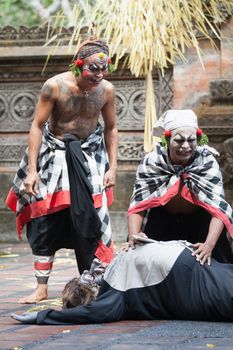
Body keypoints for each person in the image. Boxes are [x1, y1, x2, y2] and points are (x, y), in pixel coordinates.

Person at [6, 39, 118, 304]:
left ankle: (90, 283)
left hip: (89, 156)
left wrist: (113, 168)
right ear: (78, 65)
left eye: (104, 69)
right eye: (93, 69)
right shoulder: (54, 87)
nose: (99, 75)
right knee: (44, 220)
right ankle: (41, 287)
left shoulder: (106, 90)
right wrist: (32, 171)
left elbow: (112, 128)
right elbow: (37, 125)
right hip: (53, 154)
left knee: (90, 219)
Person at [10, 239, 233, 324]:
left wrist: (42, 316)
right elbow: (90, 313)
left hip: (189, 268)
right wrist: (41, 316)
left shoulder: (113, 287)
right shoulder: (114, 285)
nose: (91, 272)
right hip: (188, 269)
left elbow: (90, 312)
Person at [127, 109, 233, 265]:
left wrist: (209, 245)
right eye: (179, 140)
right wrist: (133, 236)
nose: (185, 146)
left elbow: (218, 209)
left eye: (191, 140)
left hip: (200, 225)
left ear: (199, 139)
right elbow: (138, 205)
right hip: (163, 222)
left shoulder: (206, 162)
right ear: (167, 140)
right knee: (143, 267)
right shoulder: (153, 162)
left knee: (215, 276)